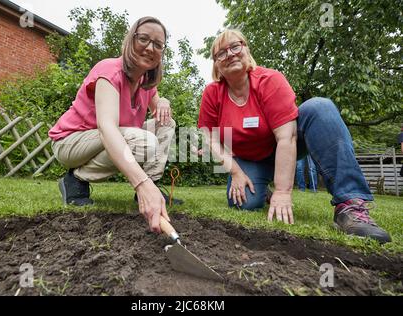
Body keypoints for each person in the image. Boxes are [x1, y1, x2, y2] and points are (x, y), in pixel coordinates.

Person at [197, 29, 391, 243]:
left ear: (246, 49)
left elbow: (286, 137)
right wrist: (235, 172)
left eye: (235, 46)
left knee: (320, 107)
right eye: (221, 53)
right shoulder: (212, 93)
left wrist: (283, 191)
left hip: (286, 144)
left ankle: (350, 203)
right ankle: (262, 191)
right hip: (250, 158)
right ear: (216, 64)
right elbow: (210, 138)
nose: (230, 54)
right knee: (243, 203)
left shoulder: (269, 80)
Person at [49, 17, 182, 234]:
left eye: (158, 44)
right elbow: (107, 128)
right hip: (71, 142)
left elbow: (160, 111)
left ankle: (152, 187)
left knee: (167, 125)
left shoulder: (146, 82)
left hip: (108, 139)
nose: (150, 48)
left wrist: (164, 102)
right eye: (144, 39)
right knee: (144, 142)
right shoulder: (109, 71)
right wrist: (140, 182)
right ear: (131, 40)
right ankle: (75, 180)